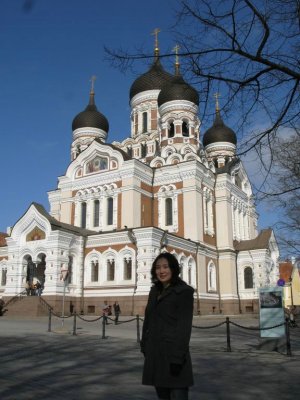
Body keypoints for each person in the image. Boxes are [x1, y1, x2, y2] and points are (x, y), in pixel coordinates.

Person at [141, 252, 194, 400]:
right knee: (162, 396)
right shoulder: (154, 291)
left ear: (174, 268)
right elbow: (148, 318)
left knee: (178, 395)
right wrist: (144, 344)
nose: (161, 271)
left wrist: (177, 358)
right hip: (156, 354)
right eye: (158, 267)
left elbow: (184, 327)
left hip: (174, 355)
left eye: (165, 267)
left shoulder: (184, 292)